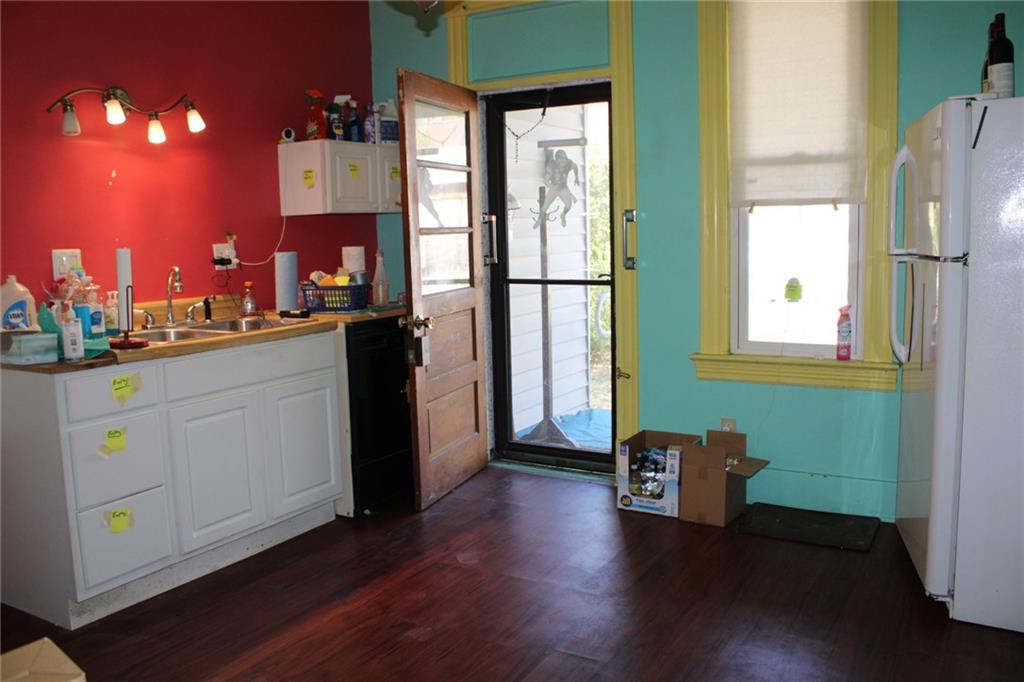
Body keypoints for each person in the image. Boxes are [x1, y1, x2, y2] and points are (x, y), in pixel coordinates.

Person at [533, 149, 580, 228]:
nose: (562, 161)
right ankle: (539, 220)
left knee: (569, 205)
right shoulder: (552, 165)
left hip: (563, 188)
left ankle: (563, 215)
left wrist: (576, 176)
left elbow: (575, 167)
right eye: (560, 159)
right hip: (554, 188)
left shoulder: (569, 163)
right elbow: (546, 180)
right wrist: (551, 186)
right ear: (556, 160)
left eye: (564, 159)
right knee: (545, 206)